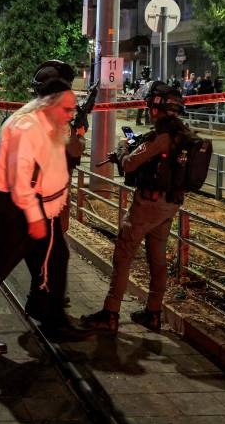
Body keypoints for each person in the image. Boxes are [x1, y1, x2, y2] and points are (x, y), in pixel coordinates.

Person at [0, 60, 93, 354]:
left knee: (55, 257)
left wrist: (77, 134)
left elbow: (65, 159)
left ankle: (51, 317)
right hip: (11, 206)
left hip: (32, 203)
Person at [80, 81, 192, 335]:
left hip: (148, 206)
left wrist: (121, 149)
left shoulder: (161, 137)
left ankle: (110, 313)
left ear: (156, 108)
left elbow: (130, 164)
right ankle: (153, 313)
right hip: (168, 205)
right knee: (157, 258)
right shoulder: (182, 133)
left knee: (123, 255)